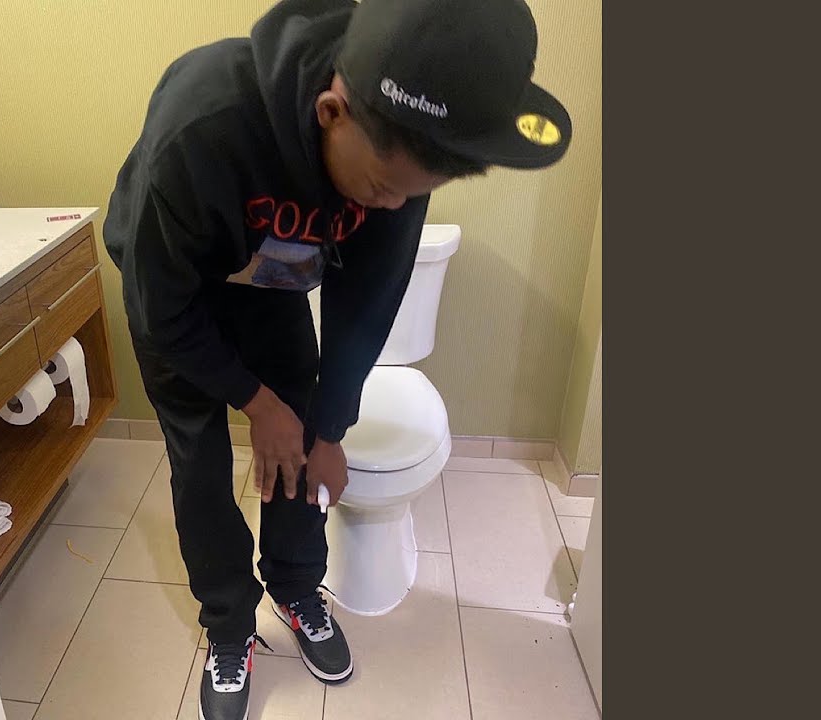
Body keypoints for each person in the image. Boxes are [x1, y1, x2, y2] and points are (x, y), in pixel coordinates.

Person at [103, 0, 571, 717]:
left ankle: (295, 587)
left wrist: (327, 430)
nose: (393, 208)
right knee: (199, 461)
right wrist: (256, 404)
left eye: (413, 195)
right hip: (174, 296)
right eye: (383, 188)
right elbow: (159, 309)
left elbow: (369, 303)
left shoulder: (407, 151)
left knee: (302, 448)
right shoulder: (203, 125)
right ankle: (228, 624)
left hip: (271, 285)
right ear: (332, 112)